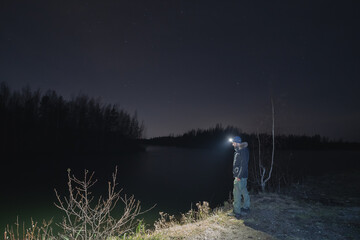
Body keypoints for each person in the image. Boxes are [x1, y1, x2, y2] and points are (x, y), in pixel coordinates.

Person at [228, 136, 250, 219]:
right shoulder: (239, 150)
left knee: (236, 193)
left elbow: (244, 165)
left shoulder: (242, 150)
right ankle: (246, 207)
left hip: (240, 177)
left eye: (233, 142)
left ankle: (236, 212)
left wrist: (239, 176)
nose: (232, 144)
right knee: (244, 191)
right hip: (242, 176)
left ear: (237, 143)